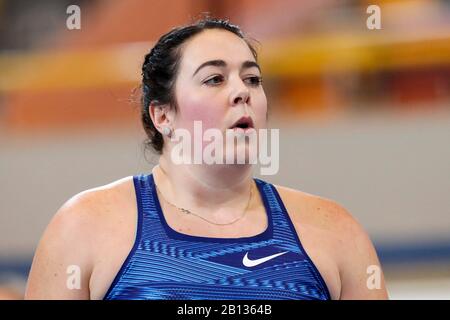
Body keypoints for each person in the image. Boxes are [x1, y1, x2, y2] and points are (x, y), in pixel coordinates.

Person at [25, 17, 388, 300]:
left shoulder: (335, 232)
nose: (241, 92)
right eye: (215, 79)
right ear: (163, 115)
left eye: (253, 79)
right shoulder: (85, 227)